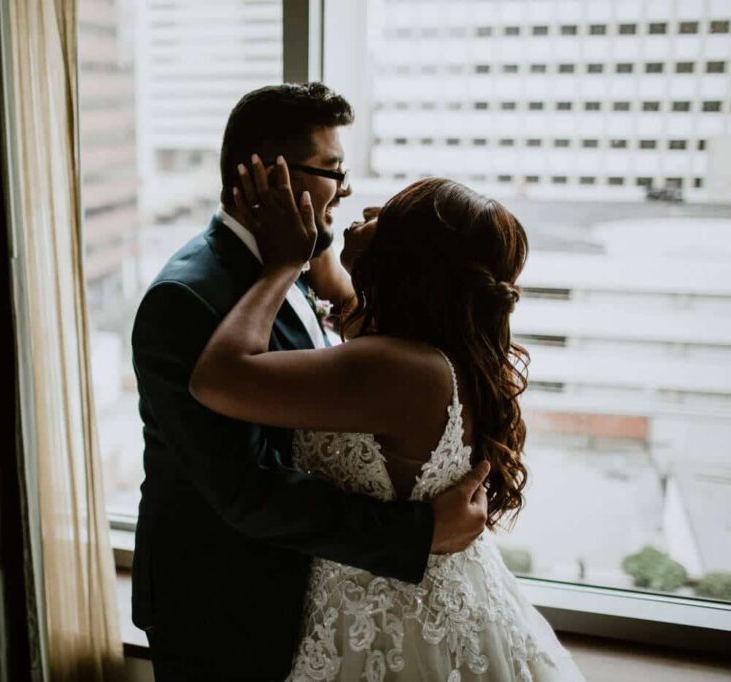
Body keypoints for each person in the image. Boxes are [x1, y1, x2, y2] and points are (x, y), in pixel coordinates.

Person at [131, 83, 491, 681]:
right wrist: (417, 533)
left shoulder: (293, 258)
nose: (346, 189)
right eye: (331, 169)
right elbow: (248, 491)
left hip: (303, 603)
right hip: (221, 609)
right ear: (267, 175)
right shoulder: (187, 300)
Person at [190, 165, 586, 681]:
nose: (367, 212)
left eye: (387, 217)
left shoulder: (396, 370)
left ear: (410, 260)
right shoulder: (441, 355)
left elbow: (217, 379)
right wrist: (331, 263)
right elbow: (353, 320)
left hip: (395, 628)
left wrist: (282, 266)